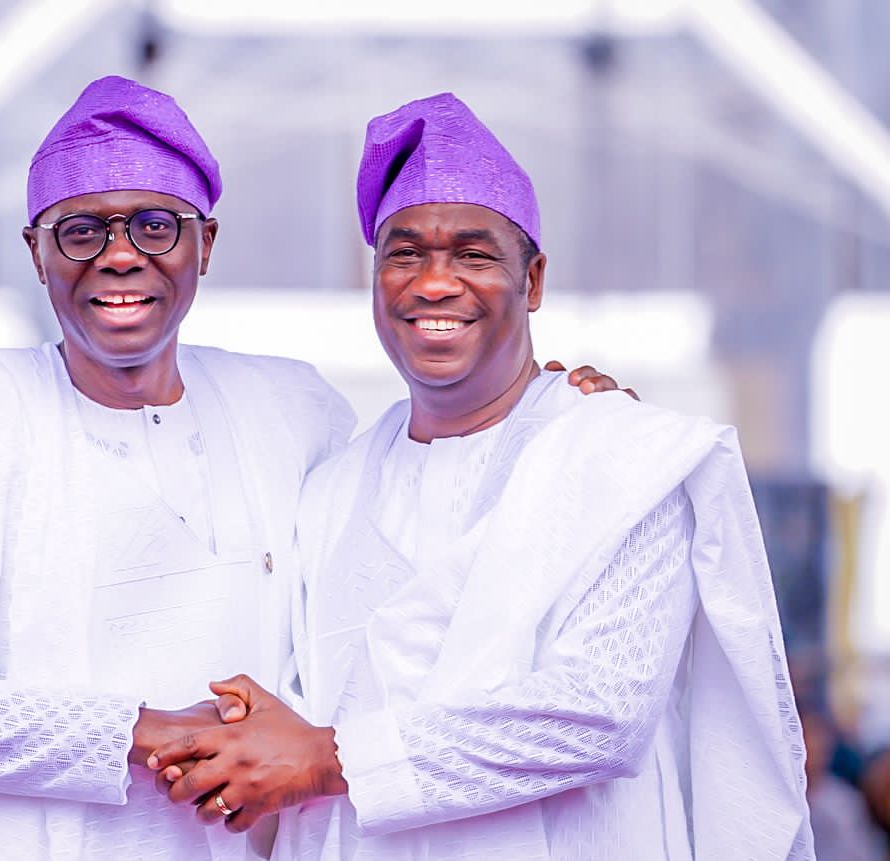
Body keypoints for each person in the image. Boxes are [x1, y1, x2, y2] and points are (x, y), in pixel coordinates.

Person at [0, 76, 620, 860]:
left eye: (155, 226)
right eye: (81, 231)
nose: (120, 256)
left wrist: (546, 413)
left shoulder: (294, 411)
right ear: (36, 252)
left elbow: (417, 575)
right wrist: (139, 733)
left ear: (204, 244)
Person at [147, 92, 814, 860]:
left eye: (473, 254)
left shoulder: (621, 456)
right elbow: (306, 703)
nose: (435, 283)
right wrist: (238, 734)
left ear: (534, 280)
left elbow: (600, 716)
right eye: (405, 254)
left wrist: (330, 758)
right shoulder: (331, 491)